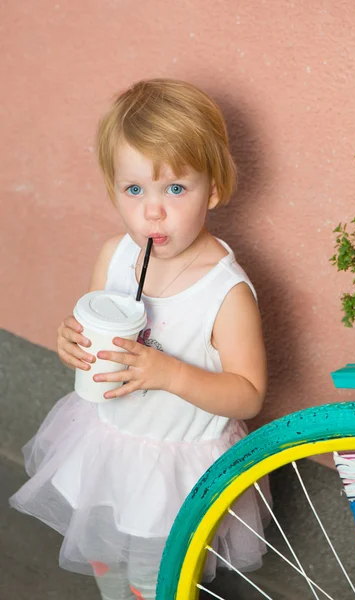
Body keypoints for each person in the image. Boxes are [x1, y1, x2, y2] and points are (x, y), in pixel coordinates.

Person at [10, 78, 270, 600]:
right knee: (104, 554)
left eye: (175, 188)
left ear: (213, 189)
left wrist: (168, 372)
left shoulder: (225, 293)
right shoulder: (115, 255)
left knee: (158, 581)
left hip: (172, 469)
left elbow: (249, 393)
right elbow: (93, 328)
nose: (153, 211)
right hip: (105, 444)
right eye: (135, 190)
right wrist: (72, 341)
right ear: (114, 191)